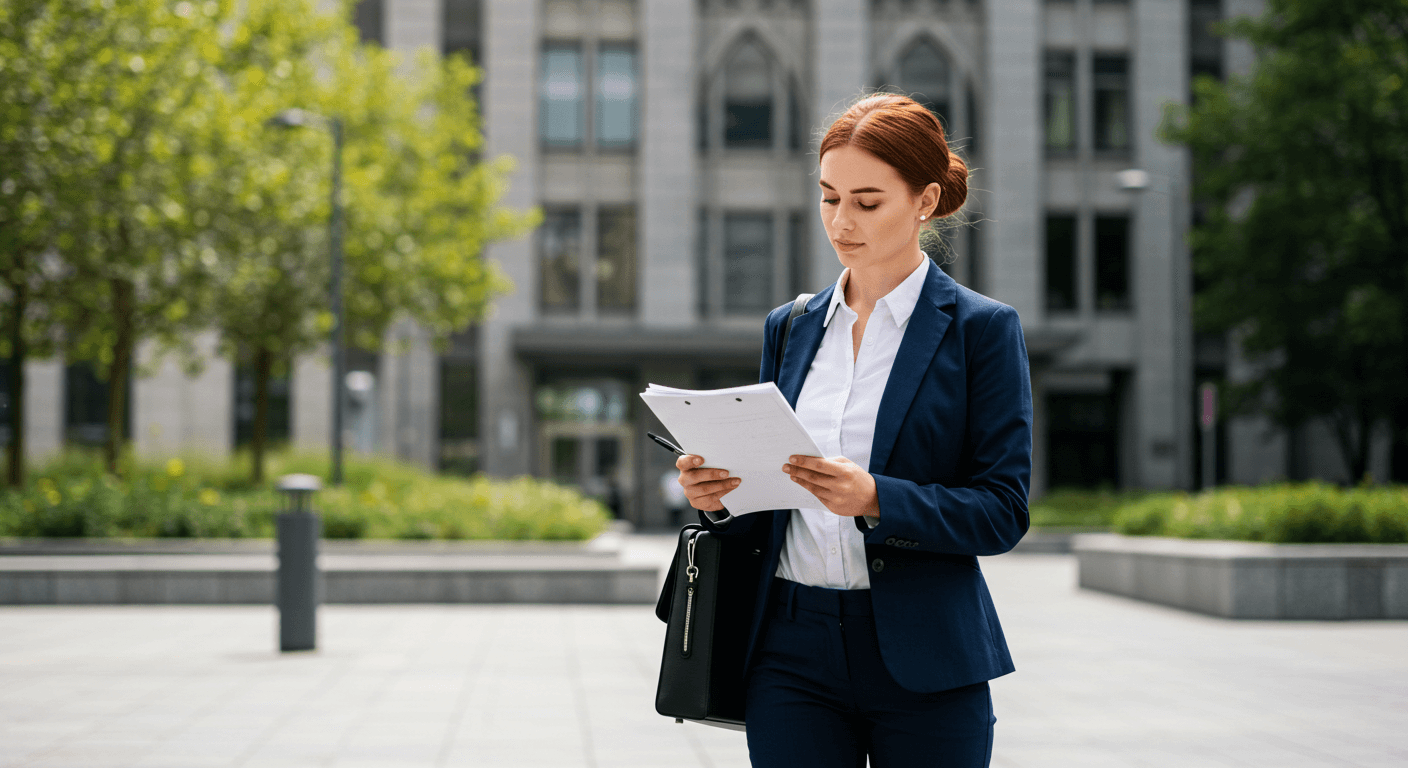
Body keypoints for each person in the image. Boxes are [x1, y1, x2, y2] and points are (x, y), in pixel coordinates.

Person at [674, 93, 1032, 768]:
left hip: (925, 656)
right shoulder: (791, 327)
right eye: (828, 196)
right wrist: (718, 496)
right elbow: (766, 510)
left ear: (924, 201)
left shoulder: (981, 331)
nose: (841, 221)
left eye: (867, 202)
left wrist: (876, 498)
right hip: (788, 650)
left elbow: (1003, 513)